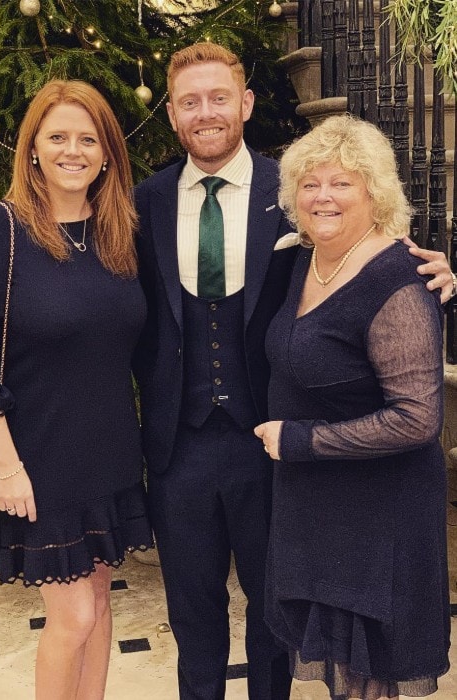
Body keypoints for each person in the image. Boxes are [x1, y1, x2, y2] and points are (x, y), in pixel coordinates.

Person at [133, 43, 453, 700]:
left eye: (219, 97)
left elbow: (370, 250)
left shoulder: (295, 189)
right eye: (190, 102)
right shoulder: (145, 204)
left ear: (245, 103)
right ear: (172, 115)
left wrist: (440, 271)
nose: (206, 113)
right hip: (177, 448)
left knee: (278, 616)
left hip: (271, 443)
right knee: (193, 618)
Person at [0, 80, 152, 700]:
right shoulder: (1, 229)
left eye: (88, 138)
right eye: (58, 137)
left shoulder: (120, 230)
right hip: (38, 459)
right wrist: (7, 464)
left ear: (107, 152)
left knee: (98, 601)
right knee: (73, 616)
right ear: (33, 148)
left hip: (110, 452)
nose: (74, 150)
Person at [255, 114, 450, 700]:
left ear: (375, 192)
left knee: (370, 674)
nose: (323, 196)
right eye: (311, 183)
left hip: (380, 511)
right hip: (319, 508)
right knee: (342, 671)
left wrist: (299, 442)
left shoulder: (401, 281)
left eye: (342, 183)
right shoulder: (301, 260)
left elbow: (418, 418)